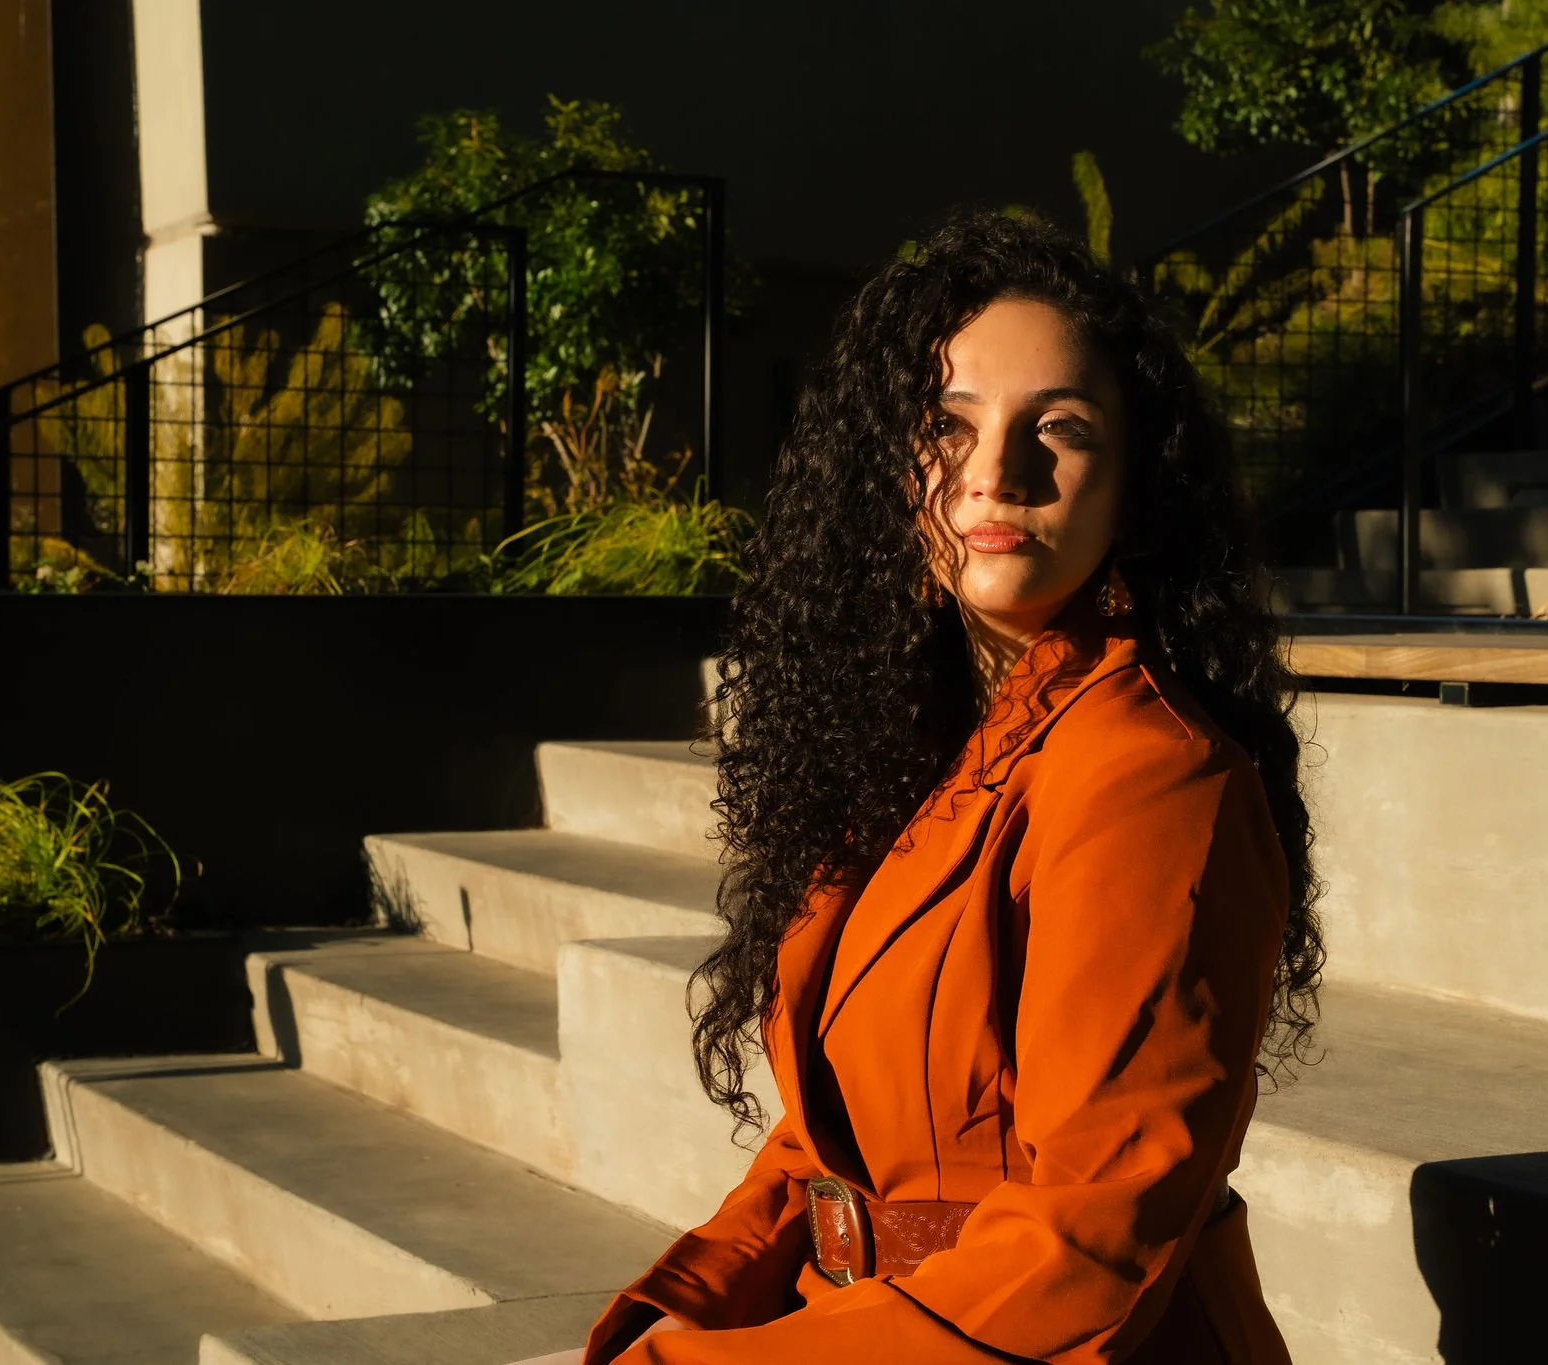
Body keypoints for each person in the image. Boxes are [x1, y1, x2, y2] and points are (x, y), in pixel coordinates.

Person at [525, 211, 1321, 1364]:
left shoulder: (1148, 775)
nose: (996, 470)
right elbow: (822, 1148)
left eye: (1060, 426)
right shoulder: (915, 743)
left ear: (1134, 481)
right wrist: (676, 1317)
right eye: (949, 423)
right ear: (896, 462)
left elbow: (1087, 1241)